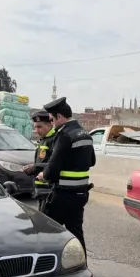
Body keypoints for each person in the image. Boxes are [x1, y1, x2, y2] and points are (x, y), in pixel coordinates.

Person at [37, 96, 96, 252]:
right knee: (76, 233)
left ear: (60, 117)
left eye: (52, 119)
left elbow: (53, 166)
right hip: (81, 194)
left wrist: (44, 174)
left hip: (63, 195)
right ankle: (81, 267)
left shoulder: (64, 135)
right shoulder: (85, 133)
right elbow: (92, 161)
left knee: (48, 232)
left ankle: (50, 270)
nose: (52, 123)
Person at [23, 111, 57, 211]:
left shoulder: (55, 139)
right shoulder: (44, 139)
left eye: (39, 127)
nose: (36, 130)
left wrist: (36, 167)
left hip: (49, 188)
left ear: (50, 125)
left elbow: (56, 163)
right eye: (35, 127)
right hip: (41, 188)